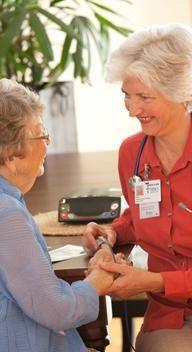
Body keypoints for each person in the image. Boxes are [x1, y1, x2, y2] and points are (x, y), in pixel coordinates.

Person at [82, 23, 192, 352]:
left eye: (145, 97)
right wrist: (113, 234)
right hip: (174, 315)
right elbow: (145, 215)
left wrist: (156, 281)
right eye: (127, 95)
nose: (132, 109)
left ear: (181, 93)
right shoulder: (132, 153)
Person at [0, 78, 114, 352]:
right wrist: (95, 283)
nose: (47, 144)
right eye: (41, 134)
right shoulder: (7, 216)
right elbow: (56, 309)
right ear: (12, 153)